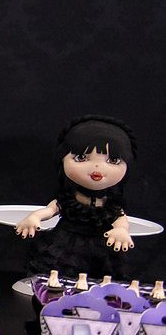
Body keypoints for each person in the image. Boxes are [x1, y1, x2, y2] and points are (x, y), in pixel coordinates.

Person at [16, 117, 137, 280]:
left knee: (100, 280)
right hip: (65, 244)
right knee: (57, 276)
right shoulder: (69, 199)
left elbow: (120, 219)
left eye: (113, 160)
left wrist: (121, 230)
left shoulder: (111, 205)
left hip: (100, 248)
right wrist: (34, 218)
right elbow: (50, 210)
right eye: (81, 158)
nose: (97, 167)